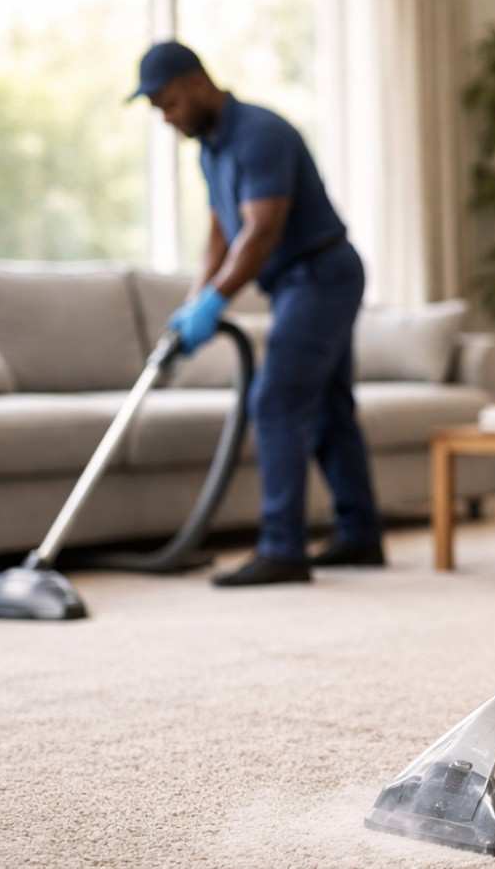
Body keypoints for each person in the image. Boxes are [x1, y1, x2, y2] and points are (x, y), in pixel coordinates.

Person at [128, 41, 385, 587]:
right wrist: (196, 300)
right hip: (300, 281)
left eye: (169, 104)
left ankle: (282, 548)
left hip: (321, 273)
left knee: (274, 401)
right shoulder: (211, 148)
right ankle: (360, 536)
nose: (168, 119)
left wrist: (218, 300)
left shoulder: (260, 133)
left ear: (197, 81)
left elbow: (261, 229)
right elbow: (221, 230)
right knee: (329, 409)